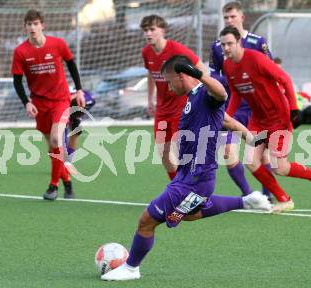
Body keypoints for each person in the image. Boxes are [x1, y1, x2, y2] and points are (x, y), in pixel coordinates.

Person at [101, 55, 272, 281]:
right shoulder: (193, 98)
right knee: (188, 216)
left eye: (170, 82)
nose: (170, 89)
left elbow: (222, 93)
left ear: (183, 75)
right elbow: (227, 121)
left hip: (196, 179)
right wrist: (250, 138)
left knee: (146, 221)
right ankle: (247, 200)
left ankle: (131, 268)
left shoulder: (205, 93)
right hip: (189, 175)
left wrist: (198, 73)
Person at [220, 26, 311, 213]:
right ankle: (284, 199)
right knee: (251, 160)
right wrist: (227, 118)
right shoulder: (228, 66)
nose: (226, 48)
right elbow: (236, 94)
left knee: (280, 167)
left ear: (239, 42)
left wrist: (294, 110)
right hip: (258, 122)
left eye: (230, 43)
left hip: (279, 119)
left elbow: (285, 79)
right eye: (223, 45)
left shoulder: (256, 59)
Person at [11, 9, 85, 200]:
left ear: (42, 25)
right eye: (29, 24)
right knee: (53, 148)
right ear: (25, 27)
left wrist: (78, 89)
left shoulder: (58, 44)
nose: (32, 27)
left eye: (36, 24)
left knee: (55, 139)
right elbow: (17, 82)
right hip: (39, 104)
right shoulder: (20, 51)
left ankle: (53, 187)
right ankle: (67, 183)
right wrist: (27, 102)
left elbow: (71, 64)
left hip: (61, 100)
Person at [209, 1, 272, 198]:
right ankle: (249, 196)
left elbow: (271, 71)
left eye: (233, 16)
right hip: (231, 109)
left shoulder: (257, 42)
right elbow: (213, 75)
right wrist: (227, 81)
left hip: (256, 108)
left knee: (261, 153)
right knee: (228, 153)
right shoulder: (217, 47)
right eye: (226, 17)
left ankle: (268, 196)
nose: (229, 20)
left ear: (242, 18)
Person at [140, 15, 207, 181]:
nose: (148, 33)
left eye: (152, 29)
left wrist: (198, 95)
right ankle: (179, 189)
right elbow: (151, 73)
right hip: (162, 110)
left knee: (182, 151)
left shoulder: (177, 50)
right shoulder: (146, 52)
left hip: (181, 107)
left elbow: (201, 69)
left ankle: (192, 188)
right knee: (162, 151)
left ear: (162, 30)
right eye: (145, 30)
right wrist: (150, 99)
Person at [63, 88, 95, 180]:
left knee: (76, 130)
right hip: (59, 107)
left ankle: (68, 162)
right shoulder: (63, 104)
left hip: (73, 105)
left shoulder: (89, 100)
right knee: (61, 136)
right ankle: (63, 163)